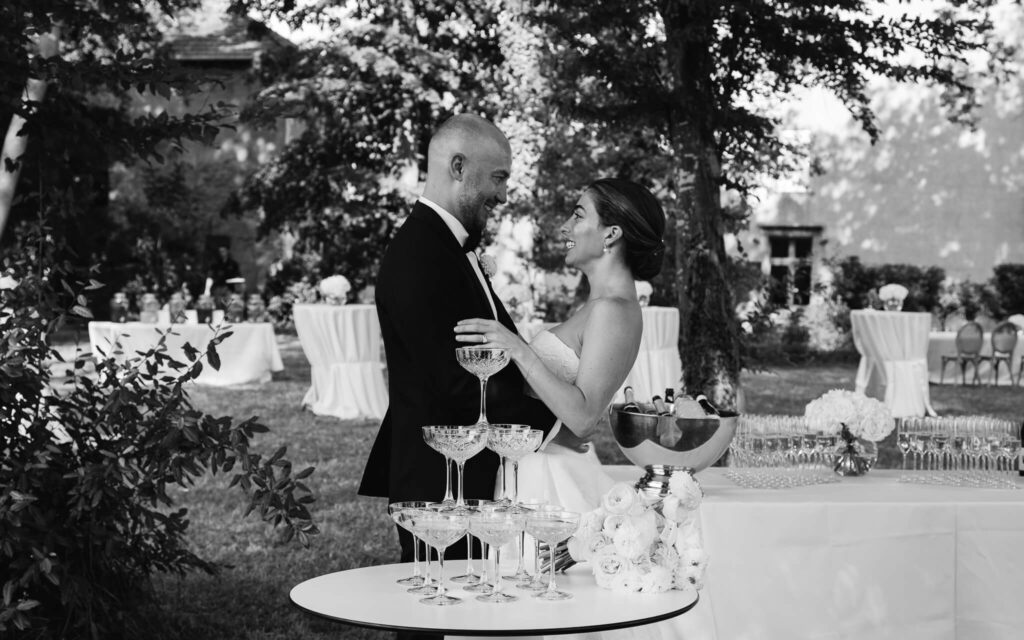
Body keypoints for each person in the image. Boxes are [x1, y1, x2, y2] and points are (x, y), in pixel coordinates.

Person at [357, 114, 557, 563]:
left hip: (470, 475)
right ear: (459, 167)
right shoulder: (420, 255)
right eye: (498, 177)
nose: (503, 195)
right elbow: (459, 384)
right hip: (443, 484)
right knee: (445, 601)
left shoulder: (446, 246)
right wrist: (557, 421)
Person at [454, 177, 666, 512]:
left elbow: (583, 418)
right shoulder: (600, 307)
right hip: (536, 466)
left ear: (611, 234)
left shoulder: (613, 310)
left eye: (578, 216)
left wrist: (519, 349)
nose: (565, 227)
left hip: (550, 484)